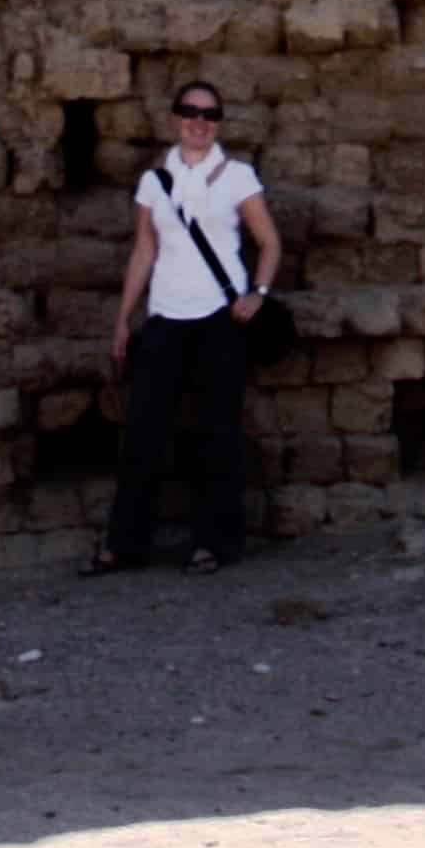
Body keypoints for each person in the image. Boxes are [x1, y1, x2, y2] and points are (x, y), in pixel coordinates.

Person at [92, 78, 280, 575]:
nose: (200, 121)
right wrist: (122, 320)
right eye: (190, 111)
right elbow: (144, 252)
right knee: (143, 435)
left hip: (219, 319)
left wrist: (255, 295)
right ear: (175, 117)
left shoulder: (238, 177)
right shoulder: (155, 183)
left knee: (216, 433)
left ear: (218, 122)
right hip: (166, 317)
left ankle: (213, 543)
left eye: (210, 114)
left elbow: (269, 242)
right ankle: (125, 544)